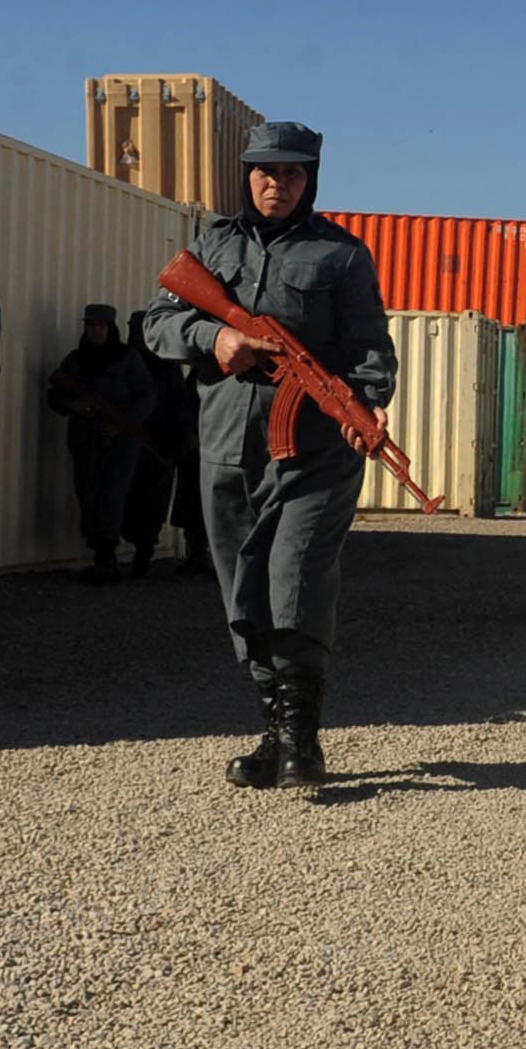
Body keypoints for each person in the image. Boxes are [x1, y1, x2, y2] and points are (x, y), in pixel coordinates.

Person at [139, 122, 395, 789]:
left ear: (310, 181)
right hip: (225, 449)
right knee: (242, 592)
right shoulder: (212, 244)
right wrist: (214, 335)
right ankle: (273, 734)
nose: (276, 184)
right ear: (246, 175)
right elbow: (156, 322)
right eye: (265, 172)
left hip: (313, 453)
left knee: (295, 581)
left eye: (291, 174)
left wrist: (364, 406)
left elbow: (370, 348)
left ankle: (301, 741)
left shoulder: (341, 255)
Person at [45, 304, 158, 583]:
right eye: (92, 325)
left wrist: (121, 424)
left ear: (111, 329)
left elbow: (146, 396)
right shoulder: (75, 361)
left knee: (112, 494)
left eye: (102, 325)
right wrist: (75, 405)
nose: (96, 330)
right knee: (88, 493)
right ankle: (100, 553)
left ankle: (106, 557)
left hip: (120, 440)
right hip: (85, 438)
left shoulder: (127, 358)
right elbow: (54, 396)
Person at [119, 337, 209, 577]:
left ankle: (150, 552)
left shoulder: (170, 369)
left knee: (157, 502)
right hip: (145, 443)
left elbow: (181, 404)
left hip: (166, 446)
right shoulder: (126, 365)